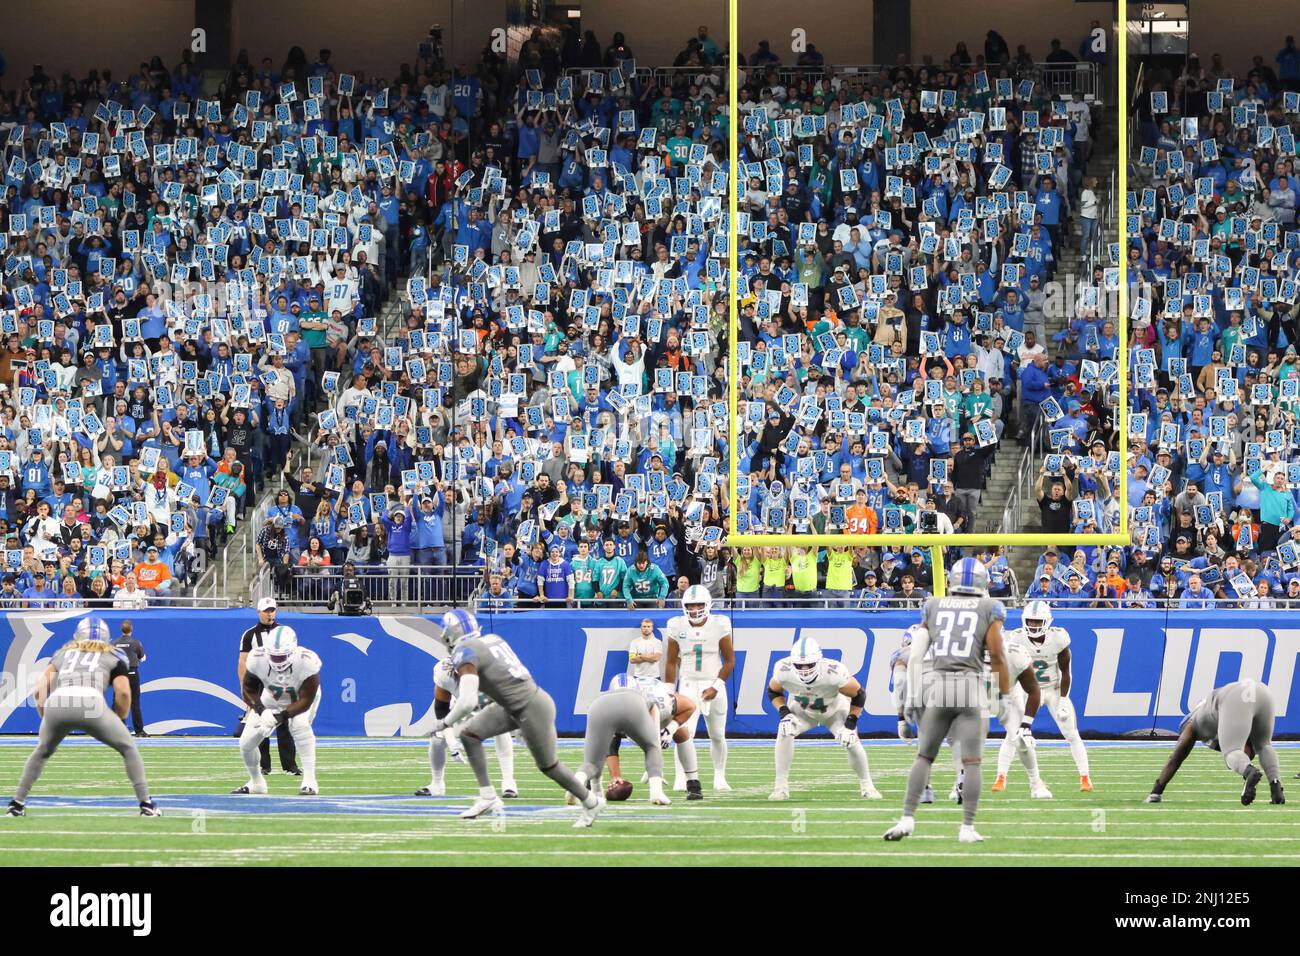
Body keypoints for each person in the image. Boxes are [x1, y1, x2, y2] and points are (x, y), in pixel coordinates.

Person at [429, 609, 604, 822]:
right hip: (517, 704)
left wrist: (445, 723)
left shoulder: (465, 651)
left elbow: (467, 701)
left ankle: (591, 802)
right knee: (469, 734)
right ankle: (488, 796)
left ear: (451, 634)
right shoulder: (492, 638)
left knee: (549, 766)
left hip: (530, 708)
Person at [884, 557, 1009, 844]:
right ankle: (966, 827)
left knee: (924, 756)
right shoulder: (990, 607)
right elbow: (998, 654)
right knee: (973, 762)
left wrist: (913, 696)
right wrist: (1002, 694)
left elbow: (915, 654)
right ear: (982, 582)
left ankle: (907, 818)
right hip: (969, 687)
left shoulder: (933, 604)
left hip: (938, 686)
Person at [7, 617, 160, 817]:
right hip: (91, 704)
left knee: (42, 751)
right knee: (128, 747)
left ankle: (17, 804)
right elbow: (123, 692)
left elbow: (40, 690)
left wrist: (47, 717)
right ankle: (146, 805)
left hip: (58, 703)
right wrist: (120, 719)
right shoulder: (114, 653)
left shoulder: (64, 652)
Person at [767, 637, 881, 801]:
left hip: (834, 710)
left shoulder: (833, 671)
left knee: (852, 742)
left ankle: (867, 785)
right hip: (803, 710)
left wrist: (850, 724)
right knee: (784, 730)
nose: (804, 669)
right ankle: (780, 788)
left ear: (818, 661)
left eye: (809, 665)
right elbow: (773, 691)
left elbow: (859, 694)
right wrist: (784, 713)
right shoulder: (783, 669)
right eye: (799, 665)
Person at [996, 600, 1092, 792]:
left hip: (1053, 689)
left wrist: (1064, 699)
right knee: (1012, 733)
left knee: (1071, 732)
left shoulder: (1059, 638)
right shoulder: (1015, 639)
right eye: (1030, 622)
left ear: (1047, 621)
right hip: (1027, 690)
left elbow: (1066, 672)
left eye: (1038, 622)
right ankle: (1001, 778)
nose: (1034, 626)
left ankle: (1085, 778)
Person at [1145, 679, 1284, 807]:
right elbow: (1249, 750)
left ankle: (1249, 772)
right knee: (1264, 745)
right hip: (1263, 692)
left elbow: (1174, 759)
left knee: (1231, 751)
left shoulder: (1193, 723)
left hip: (1234, 699)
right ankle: (1276, 788)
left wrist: (1156, 791)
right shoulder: (1212, 710)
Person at [232, 624, 321, 796]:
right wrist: (262, 711)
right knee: (246, 743)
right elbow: (248, 689)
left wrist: (280, 717)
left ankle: (310, 781)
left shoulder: (307, 661)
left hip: (299, 698)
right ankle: (256, 782)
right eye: (274, 656)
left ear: (293, 652)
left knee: (300, 725)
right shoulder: (257, 657)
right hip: (271, 696)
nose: (277, 661)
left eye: (282, 657)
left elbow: (306, 699)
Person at [570, 674, 673, 822]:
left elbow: (607, 750)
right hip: (634, 705)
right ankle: (656, 792)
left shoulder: (603, 696)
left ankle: (581, 787)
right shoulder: (644, 696)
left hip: (599, 706)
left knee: (591, 762)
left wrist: (598, 790)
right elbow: (654, 738)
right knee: (652, 748)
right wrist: (654, 755)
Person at [664, 584, 734, 796]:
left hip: (713, 683)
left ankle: (719, 776)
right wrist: (669, 691)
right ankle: (681, 777)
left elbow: (730, 661)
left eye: (699, 605)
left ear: (708, 605)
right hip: (687, 684)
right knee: (684, 733)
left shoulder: (720, 623)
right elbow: (669, 662)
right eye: (690, 605)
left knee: (718, 734)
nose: (694, 609)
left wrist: (716, 686)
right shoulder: (676, 625)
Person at [415, 657, 517, 798]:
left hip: (488, 705)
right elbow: (441, 710)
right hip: (461, 708)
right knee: (437, 737)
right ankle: (437, 784)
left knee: (500, 729)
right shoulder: (444, 671)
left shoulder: (491, 672)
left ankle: (509, 783)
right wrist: (452, 743)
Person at [236, 597, 299, 776]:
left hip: (280, 683)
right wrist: (244, 689)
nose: (270, 614)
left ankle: (290, 765)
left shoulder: (284, 632)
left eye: (272, 610)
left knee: (284, 724)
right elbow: (243, 661)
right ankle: (264, 765)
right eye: (267, 611)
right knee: (260, 724)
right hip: (259, 684)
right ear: (259, 612)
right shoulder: (250, 635)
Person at [111, 620, 148, 737]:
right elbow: (142, 658)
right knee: (135, 703)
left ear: (122, 630)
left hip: (119, 675)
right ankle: (139, 731)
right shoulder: (135, 643)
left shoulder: (114, 643)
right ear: (131, 630)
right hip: (132, 673)